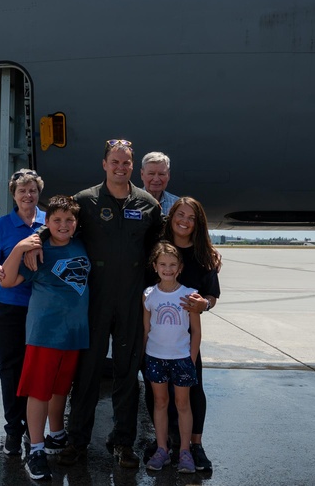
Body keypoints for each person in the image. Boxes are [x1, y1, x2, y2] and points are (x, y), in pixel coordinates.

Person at [58, 139, 162, 469]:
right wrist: (34, 246)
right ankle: (77, 442)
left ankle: (123, 442)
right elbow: (61, 235)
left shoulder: (147, 204)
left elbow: (159, 253)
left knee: (127, 374)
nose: (120, 167)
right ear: (104, 164)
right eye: (115, 162)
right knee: (86, 373)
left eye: (126, 163)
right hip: (94, 300)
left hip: (132, 300)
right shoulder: (85, 201)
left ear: (133, 167)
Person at [0, 195, 91, 481]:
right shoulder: (38, 252)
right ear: (47, 222)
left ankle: (56, 434)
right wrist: (18, 249)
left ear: (76, 223)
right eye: (57, 220)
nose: (63, 225)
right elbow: (8, 280)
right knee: (39, 391)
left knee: (60, 388)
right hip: (45, 334)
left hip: (74, 334)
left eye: (69, 220)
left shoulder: (80, 243)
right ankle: (36, 449)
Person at [144, 196, 221, 472]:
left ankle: (194, 446)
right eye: (180, 215)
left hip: (185, 342)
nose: (185, 221)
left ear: (198, 223)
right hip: (158, 342)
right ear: (171, 217)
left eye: (191, 217)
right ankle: (163, 443)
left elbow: (212, 294)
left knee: (192, 393)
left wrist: (205, 304)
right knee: (157, 397)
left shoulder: (204, 255)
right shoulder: (158, 250)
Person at [0, 169, 46, 456]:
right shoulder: (2, 225)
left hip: (41, 307)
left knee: (35, 370)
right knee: (10, 369)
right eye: (22, 191)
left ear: (38, 192)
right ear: (14, 195)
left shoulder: (48, 223)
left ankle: (34, 432)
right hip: (6, 307)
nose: (28, 195)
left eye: (32, 190)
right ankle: (13, 431)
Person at [143, 241, 201, 474]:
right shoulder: (148, 295)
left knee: (182, 404)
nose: (167, 269)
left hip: (181, 359)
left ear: (179, 268)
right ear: (155, 266)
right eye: (163, 264)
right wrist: (144, 356)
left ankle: (185, 451)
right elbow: (146, 329)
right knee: (160, 403)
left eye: (172, 265)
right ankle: (162, 449)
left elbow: (196, 331)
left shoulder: (189, 295)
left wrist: (191, 359)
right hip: (155, 357)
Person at [141, 151, 179, 215]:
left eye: (161, 174)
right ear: (142, 174)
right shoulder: (130, 203)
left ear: (168, 175)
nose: (156, 179)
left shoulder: (177, 205)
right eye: (151, 174)